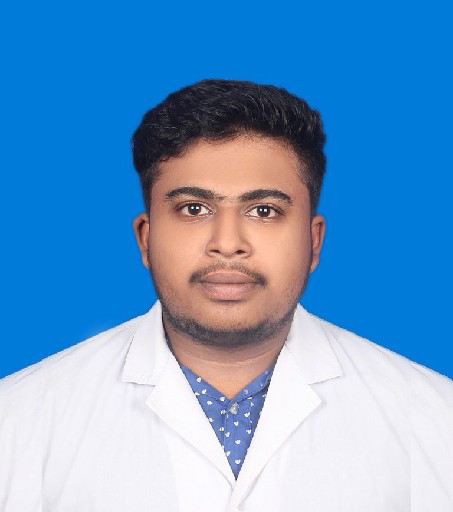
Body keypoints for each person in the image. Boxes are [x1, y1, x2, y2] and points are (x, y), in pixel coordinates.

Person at [0, 79, 452, 512]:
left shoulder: (435, 419)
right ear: (146, 238)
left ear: (313, 241)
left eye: (264, 210)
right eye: (194, 209)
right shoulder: (19, 419)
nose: (228, 243)